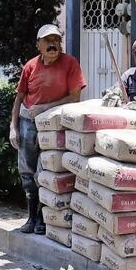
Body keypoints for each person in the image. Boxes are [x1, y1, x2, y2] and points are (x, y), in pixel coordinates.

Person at [10, 24, 86, 234]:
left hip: (54, 126)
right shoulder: (31, 66)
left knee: (46, 172)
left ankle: (45, 219)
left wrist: (45, 108)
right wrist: (13, 127)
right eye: (47, 40)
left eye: (56, 39)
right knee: (27, 171)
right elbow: (19, 98)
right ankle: (31, 217)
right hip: (28, 123)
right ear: (38, 45)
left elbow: (75, 97)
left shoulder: (70, 63)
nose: (52, 44)